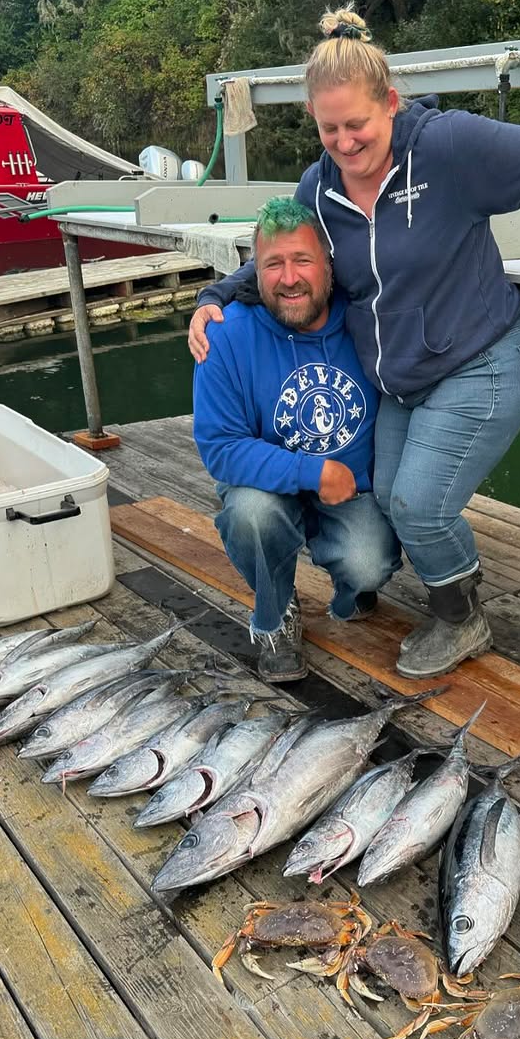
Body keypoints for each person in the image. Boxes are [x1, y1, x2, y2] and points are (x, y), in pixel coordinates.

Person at [190, 5, 520, 679]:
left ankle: (461, 616)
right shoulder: (319, 187)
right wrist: (216, 296)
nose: (346, 142)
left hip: (483, 356)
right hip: (403, 379)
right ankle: (423, 588)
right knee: (389, 494)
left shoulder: (447, 147)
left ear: (390, 102)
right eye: (329, 129)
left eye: (357, 124)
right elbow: (284, 255)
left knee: (419, 501)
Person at [192, 194, 401, 682]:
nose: (289, 278)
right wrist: (312, 471)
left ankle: (352, 587)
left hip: (353, 489)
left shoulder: (367, 319)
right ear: (253, 270)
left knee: (369, 564)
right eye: (273, 264)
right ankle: (275, 613)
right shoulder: (222, 334)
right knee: (252, 515)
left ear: (329, 264)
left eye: (302, 260)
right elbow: (220, 447)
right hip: (267, 486)